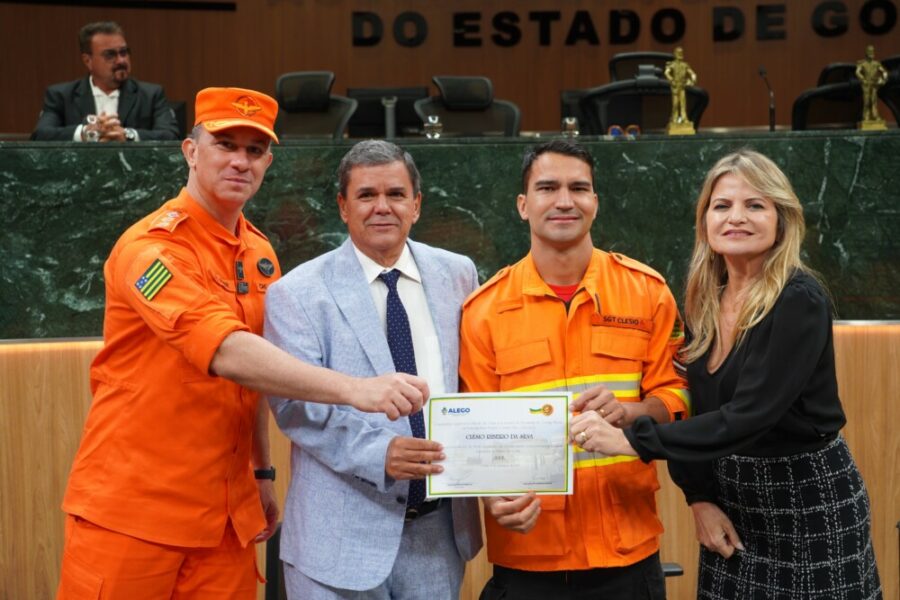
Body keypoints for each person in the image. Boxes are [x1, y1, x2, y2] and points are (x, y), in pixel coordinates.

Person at [57, 89, 428, 600]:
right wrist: (356, 390)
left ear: (268, 162)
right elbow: (226, 350)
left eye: (254, 151)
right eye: (225, 143)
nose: (240, 160)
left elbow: (257, 372)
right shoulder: (150, 250)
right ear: (190, 151)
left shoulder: (259, 253)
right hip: (134, 514)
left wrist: (262, 472)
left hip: (226, 521)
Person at [572, 150, 883, 599]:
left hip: (808, 502)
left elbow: (749, 416)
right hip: (731, 503)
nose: (736, 217)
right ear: (705, 221)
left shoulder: (800, 299)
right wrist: (699, 497)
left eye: (755, 205)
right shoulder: (703, 298)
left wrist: (630, 440)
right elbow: (691, 406)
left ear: (782, 219)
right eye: (722, 206)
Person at [459, 139, 689, 599]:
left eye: (578, 188)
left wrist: (629, 411)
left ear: (595, 203)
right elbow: (472, 432)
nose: (564, 200)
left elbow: (678, 398)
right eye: (547, 188)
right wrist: (492, 497)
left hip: (626, 553)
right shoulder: (483, 310)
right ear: (524, 206)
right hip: (528, 554)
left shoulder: (648, 293)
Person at [264, 139, 483, 599]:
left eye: (396, 194)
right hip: (337, 543)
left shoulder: (458, 274)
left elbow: (474, 383)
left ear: (417, 205)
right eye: (366, 195)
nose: (382, 207)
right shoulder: (296, 293)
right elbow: (294, 405)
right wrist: (379, 454)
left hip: (437, 538)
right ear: (343, 207)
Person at [32, 21, 179, 142]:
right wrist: (86, 133)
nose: (121, 60)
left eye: (124, 52)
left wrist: (127, 135)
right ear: (88, 60)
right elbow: (41, 135)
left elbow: (171, 136)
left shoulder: (151, 94)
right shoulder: (61, 95)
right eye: (110, 55)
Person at [664, 46, 697, 126]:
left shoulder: (685, 65)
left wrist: (692, 80)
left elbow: (692, 73)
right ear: (675, 54)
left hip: (682, 86)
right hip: (675, 86)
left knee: (683, 104)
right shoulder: (672, 64)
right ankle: (674, 119)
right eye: (678, 53)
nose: (680, 54)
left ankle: (684, 119)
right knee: (675, 104)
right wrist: (671, 80)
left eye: (681, 53)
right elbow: (666, 73)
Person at [856, 45, 889, 123]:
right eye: (869, 51)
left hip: (874, 84)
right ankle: (866, 117)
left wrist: (883, 79)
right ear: (866, 53)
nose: (871, 53)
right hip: (866, 84)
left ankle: (875, 116)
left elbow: (884, 72)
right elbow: (857, 72)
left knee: (874, 100)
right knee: (867, 101)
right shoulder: (862, 63)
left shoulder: (876, 64)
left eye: (872, 51)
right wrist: (862, 79)